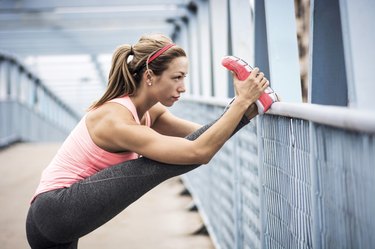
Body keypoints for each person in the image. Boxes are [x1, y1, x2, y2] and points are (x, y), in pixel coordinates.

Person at [26, 33, 270, 249]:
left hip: (59, 223)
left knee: (168, 156)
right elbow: (199, 151)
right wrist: (240, 105)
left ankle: (254, 107)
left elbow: (206, 135)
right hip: (55, 211)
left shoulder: (149, 113)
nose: (183, 87)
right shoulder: (115, 120)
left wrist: (243, 109)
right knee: (155, 164)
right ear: (150, 76)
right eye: (177, 77)